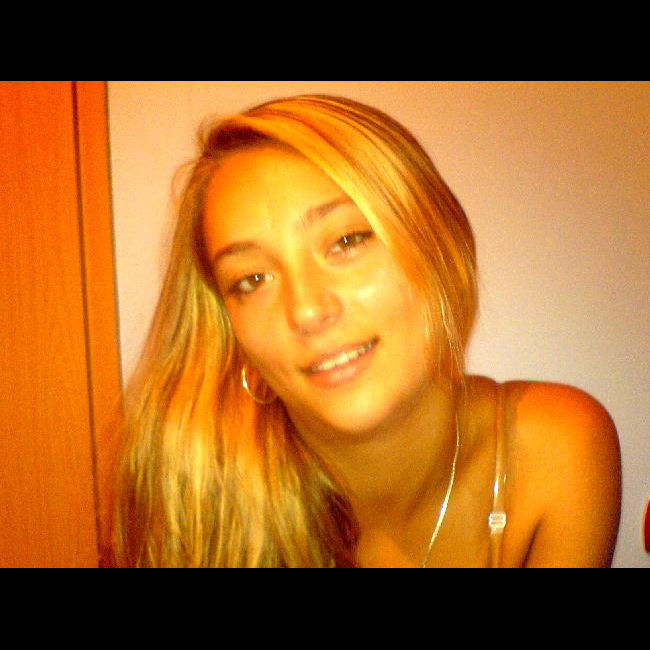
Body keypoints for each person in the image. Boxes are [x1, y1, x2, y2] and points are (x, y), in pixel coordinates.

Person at [111, 95, 622, 568]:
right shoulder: (193, 501)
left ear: (438, 248)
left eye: (347, 241)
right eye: (252, 280)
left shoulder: (553, 451)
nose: (307, 311)